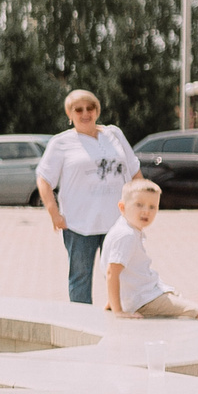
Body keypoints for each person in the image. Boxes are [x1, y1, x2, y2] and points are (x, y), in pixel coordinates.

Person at [36, 89, 139, 305]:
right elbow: (44, 180)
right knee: (80, 279)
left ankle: (121, 317)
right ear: (69, 114)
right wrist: (54, 214)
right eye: (78, 109)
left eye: (90, 108)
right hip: (79, 224)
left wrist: (140, 208)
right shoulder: (61, 142)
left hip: (117, 222)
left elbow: (134, 172)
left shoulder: (114, 135)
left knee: (121, 274)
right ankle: (82, 322)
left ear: (97, 111)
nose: (85, 113)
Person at [102, 178, 198, 320]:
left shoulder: (127, 228)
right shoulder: (126, 235)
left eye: (152, 206)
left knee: (178, 298)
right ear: (122, 207)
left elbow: (123, 273)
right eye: (139, 205)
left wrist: (112, 302)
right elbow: (112, 272)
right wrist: (118, 311)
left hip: (146, 294)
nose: (146, 211)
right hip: (143, 301)